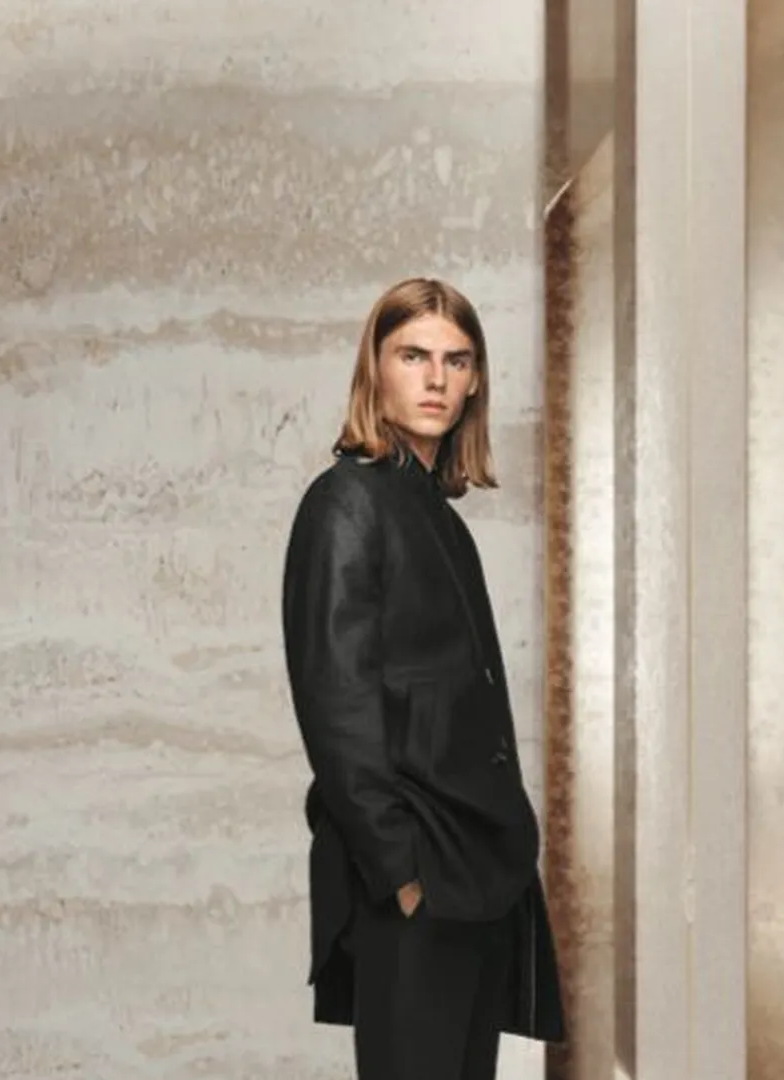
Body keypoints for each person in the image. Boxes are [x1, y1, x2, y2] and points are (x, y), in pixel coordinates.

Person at [279, 278, 566, 1078]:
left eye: (456, 360)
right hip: (418, 876)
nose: (436, 379)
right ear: (376, 368)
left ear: (475, 381)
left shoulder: (434, 513)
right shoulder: (346, 504)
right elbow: (337, 708)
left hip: (480, 873)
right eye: (413, 356)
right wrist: (401, 874)